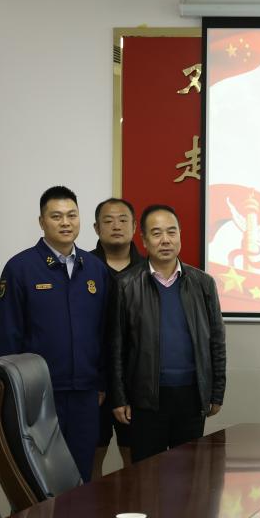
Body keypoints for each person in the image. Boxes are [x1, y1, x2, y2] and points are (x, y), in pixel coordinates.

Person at [0, 185, 109, 482]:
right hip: (38, 394)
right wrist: (15, 390)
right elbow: (8, 336)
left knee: (81, 477)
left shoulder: (95, 269)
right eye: (56, 216)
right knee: (39, 480)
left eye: (72, 215)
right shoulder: (20, 268)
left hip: (85, 394)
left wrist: (100, 381)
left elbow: (103, 332)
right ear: (42, 222)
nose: (66, 222)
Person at [109, 204, 226, 462]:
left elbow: (217, 341)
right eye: (157, 233)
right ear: (144, 240)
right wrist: (119, 397)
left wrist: (216, 391)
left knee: (190, 474)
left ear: (180, 235)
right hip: (146, 399)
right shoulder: (125, 284)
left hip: (191, 396)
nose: (165, 240)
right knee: (147, 476)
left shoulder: (203, 283)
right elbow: (116, 346)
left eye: (171, 232)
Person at [90, 197, 144, 478]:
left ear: (134, 227)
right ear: (96, 228)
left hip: (135, 381)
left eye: (123, 220)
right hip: (94, 379)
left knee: (136, 460)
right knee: (90, 456)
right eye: (108, 220)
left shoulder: (148, 270)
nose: (116, 226)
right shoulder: (83, 267)